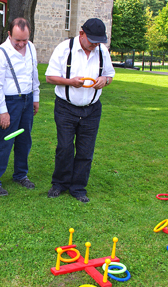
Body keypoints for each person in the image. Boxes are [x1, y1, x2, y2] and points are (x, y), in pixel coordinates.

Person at [45, 18, 115, 203]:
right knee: (65, 148)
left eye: (98, 41)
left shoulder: (102, 52)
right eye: (92, 41)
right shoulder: (64, 49)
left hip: (91, 110)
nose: (95, 45)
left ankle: (78, 188)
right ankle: (59, 184)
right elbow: (50, 78)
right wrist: (71, 82)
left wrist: (104, 81)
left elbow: (110, 75)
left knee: (85, 151)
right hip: (65, 108)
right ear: (81, 33)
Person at [0, 18, 40, 196]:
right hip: (7, 102)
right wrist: (3, 111)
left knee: (24, 140)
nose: (22, 44)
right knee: (4, 141)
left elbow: (34, 73)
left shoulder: (30, 47)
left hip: (26, 99)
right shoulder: (1, 54)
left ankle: (20, 175)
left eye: (25, 40)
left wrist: (35, 97)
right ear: (9, 35)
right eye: (18, 40)